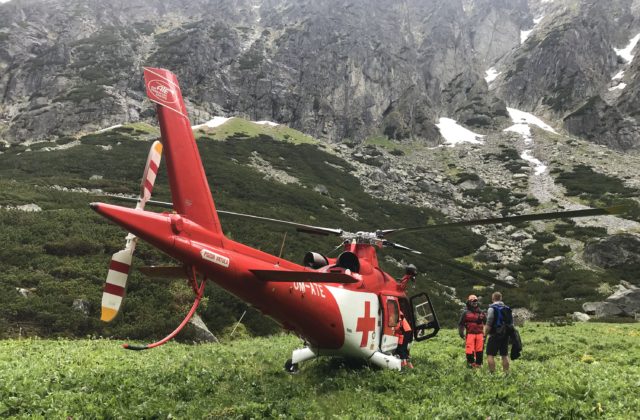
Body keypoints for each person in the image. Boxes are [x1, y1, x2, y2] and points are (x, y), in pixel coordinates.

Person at [484, 291, 514, 373]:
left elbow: (489, 322)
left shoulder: (492, 308)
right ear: (501, 298)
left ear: (493, 299)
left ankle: (492, 373)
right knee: (504, 355)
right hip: (505, 334)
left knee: (490, 354)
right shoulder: (507, 308)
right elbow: (511, 323)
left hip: (495, 334)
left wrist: (485, 335)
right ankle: (506, 373)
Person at [458, 294, 486, 368]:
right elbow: (461, 324)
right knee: (469, 350)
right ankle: (471, 364)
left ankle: (479, 365)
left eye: (476, 301)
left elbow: (486, 324)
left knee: (479, 350)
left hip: (480, 334)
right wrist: (461, 333)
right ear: (469, 302)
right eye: (473, 301)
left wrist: (485, 335)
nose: (475, 302)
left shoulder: (481, 312)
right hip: (470, 334)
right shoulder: (465, 312)